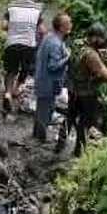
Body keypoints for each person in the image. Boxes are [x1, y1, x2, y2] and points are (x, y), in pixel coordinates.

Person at [59, 23, 107, 156]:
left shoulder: (77, 44)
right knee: (85, 121)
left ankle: (60, 143)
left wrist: (101, 57)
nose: (104, 41)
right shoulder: (90, 54)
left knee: (70, 116)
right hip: (86, 93)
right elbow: (104, 74)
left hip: (73, 88)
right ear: (94, 38)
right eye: (102, 38)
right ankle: (79, 150)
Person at [2, 0, 43, 111]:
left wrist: (14, 28)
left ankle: (7, 93)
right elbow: (42, 30)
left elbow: (4, 26)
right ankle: (17, 90)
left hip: (12, 43)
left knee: (11, 70)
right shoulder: (37, 9)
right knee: (25, 69)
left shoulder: (11, 6)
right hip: (28, 45)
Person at [33, 12, 72, 142]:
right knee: (44, 111)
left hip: (43, 79)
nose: (71, 25)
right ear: (61, 27)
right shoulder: (55, 43)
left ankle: (37, 136)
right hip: (48, 82)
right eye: (68, 23)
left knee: (42, 109)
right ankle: (40, 140)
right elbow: (53, 66)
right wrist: (67, 58)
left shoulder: (49, 37)